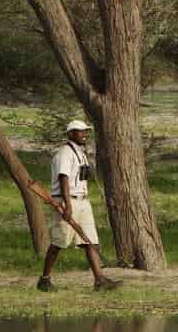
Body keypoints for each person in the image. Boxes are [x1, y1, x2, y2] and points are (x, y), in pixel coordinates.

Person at [37, 120, 121, 292]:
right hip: (67, 200)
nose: (84, 134)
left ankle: (100, 280)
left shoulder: (80, 153)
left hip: (82, 201)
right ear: (70, 134)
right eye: (80, 131)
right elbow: (63, 178)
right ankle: (44, 280)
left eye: (85, 131)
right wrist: (68, 206)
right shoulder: (65, 153)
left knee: (90, 240)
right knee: (59, 242)